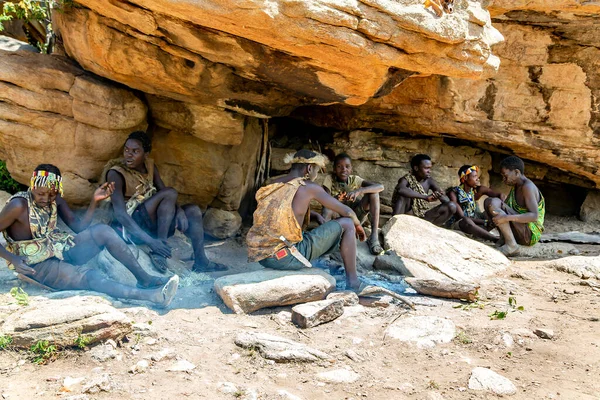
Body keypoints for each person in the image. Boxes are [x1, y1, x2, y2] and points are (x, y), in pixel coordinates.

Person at [0, 164, 178, 307]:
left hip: (60, 249)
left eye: (52, 194)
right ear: (32, 186)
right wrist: (13, 259)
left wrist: (94, 201)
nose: (46, 198)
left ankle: (145, 280)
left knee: (103, 231)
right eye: (41, 193)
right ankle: (152, 296)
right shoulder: (18, 205)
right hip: (36, 265)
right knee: (91, 277)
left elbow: (79, 227)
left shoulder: (56, 201)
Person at [104, 131, 227, 273]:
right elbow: (120, 214)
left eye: (135, 151)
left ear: (146, 154)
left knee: (193, 211)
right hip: (132, 228)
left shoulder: (149, 167)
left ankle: (201, 262)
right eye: (126, 150)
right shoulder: (116, 173)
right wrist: (152, 242)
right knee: (170, 193)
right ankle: (159, 249)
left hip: (150, 223)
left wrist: (180, 211)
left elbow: (164, 192)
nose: (128, 155)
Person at [246, 149, 366, 290]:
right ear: (309, 168)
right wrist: (358, 227)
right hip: (286, 258)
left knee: (307, 233)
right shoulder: (308, 187)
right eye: (317, 170)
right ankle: (354, 283)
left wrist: (314, 215)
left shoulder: (272, 183)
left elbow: (282, 211)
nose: (317, 174)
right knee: (347, 223)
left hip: (264, 257)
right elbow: (347, 212)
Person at [322, 153, 384, 255]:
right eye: (339, 167)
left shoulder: (355, 180)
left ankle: (374, 237)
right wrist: (335, 200)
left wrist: (359, 191)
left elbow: (380, 187)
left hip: (356, 219)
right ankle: (325, 241)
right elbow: (324, 199)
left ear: (351, 169)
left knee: (374, 194)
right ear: (334, 169)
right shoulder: (329, 179)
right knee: (327, 207)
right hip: (337, 220)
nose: (343, 170)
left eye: (347, 167)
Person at [484, 156, 545, 256]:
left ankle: (511, 245)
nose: (504, 179)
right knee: (489, 202)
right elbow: (504, 207)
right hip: (520, 230)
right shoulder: (516, 186)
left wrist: (506, 218)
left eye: (505, 175)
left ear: (517, 172)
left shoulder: (527, 187)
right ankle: (505, 239)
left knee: (495, 202)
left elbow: (534, 216)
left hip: (529, 235)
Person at [392, 154, 458, 226]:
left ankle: (431, 229)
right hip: (406, 216)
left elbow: (446, 201)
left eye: (430, 168)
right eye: (426, 168)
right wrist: (425, 197)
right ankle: (396, 224)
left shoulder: (429, 181)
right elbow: (400, 189)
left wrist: (439, 195)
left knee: (452, 206)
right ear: (416, 168)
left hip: (422, 216)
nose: (429, 171)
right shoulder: (406, 179)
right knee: (403, 195)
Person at [446, 165, 504, 242]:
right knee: (466, 221)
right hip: (461, 224)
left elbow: (499, 195)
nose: (478, 179)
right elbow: (462, 217)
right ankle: (495, 239)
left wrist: (503, 202)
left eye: (477, 176)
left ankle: (487, 235)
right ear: (465, 178)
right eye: (474, 176)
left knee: (492, 207)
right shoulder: (454, 193)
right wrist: (485, 222)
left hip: (477, 221)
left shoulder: (477, 190)